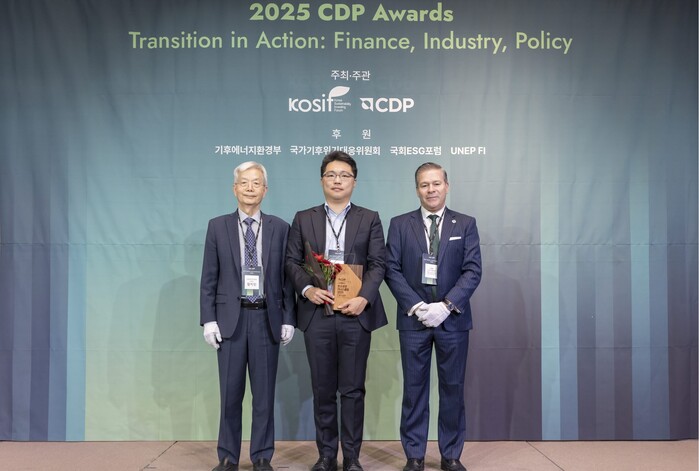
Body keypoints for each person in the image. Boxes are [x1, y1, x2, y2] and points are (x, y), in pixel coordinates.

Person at [285, 151, 387, 471]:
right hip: (318, 314)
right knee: (323, 388)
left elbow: (378, 264)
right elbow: (291, 261)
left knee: (353, 390)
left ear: (354, 182)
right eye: (331, 175)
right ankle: (327, 455)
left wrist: (364, 298)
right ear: (322, 181)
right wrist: (308, 289)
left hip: (355, 314)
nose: (337, 180)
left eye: (344, 175)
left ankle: (352, 457)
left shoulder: (369, 218)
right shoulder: (304, 218)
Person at [384, 162, 482, 471]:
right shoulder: (400, 224)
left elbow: (473, 270)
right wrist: (417, 306)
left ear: (446, 186)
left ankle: (451, 454)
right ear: (417, 190)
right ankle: (414, 455)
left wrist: (446, 305)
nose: (431, 190)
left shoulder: (465, 224)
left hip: (453, 321)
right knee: (414, 390)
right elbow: (391, 269)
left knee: (452, 389)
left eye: (436, 183)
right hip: (414, 320)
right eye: (424, 185)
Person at [200, 161, 296, 471]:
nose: (250, 188)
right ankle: (228, 456)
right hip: (231, 321)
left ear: (265, 190)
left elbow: (287, 278)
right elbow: (209, 277)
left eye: (256, 183)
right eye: (244, 183)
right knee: (230, 394)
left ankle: (262, 456)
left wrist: (288, 318)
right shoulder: (217, 226)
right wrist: (209, 320)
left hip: (266, 319)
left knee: (263, 396)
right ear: (235, 189)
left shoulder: (280, 228)